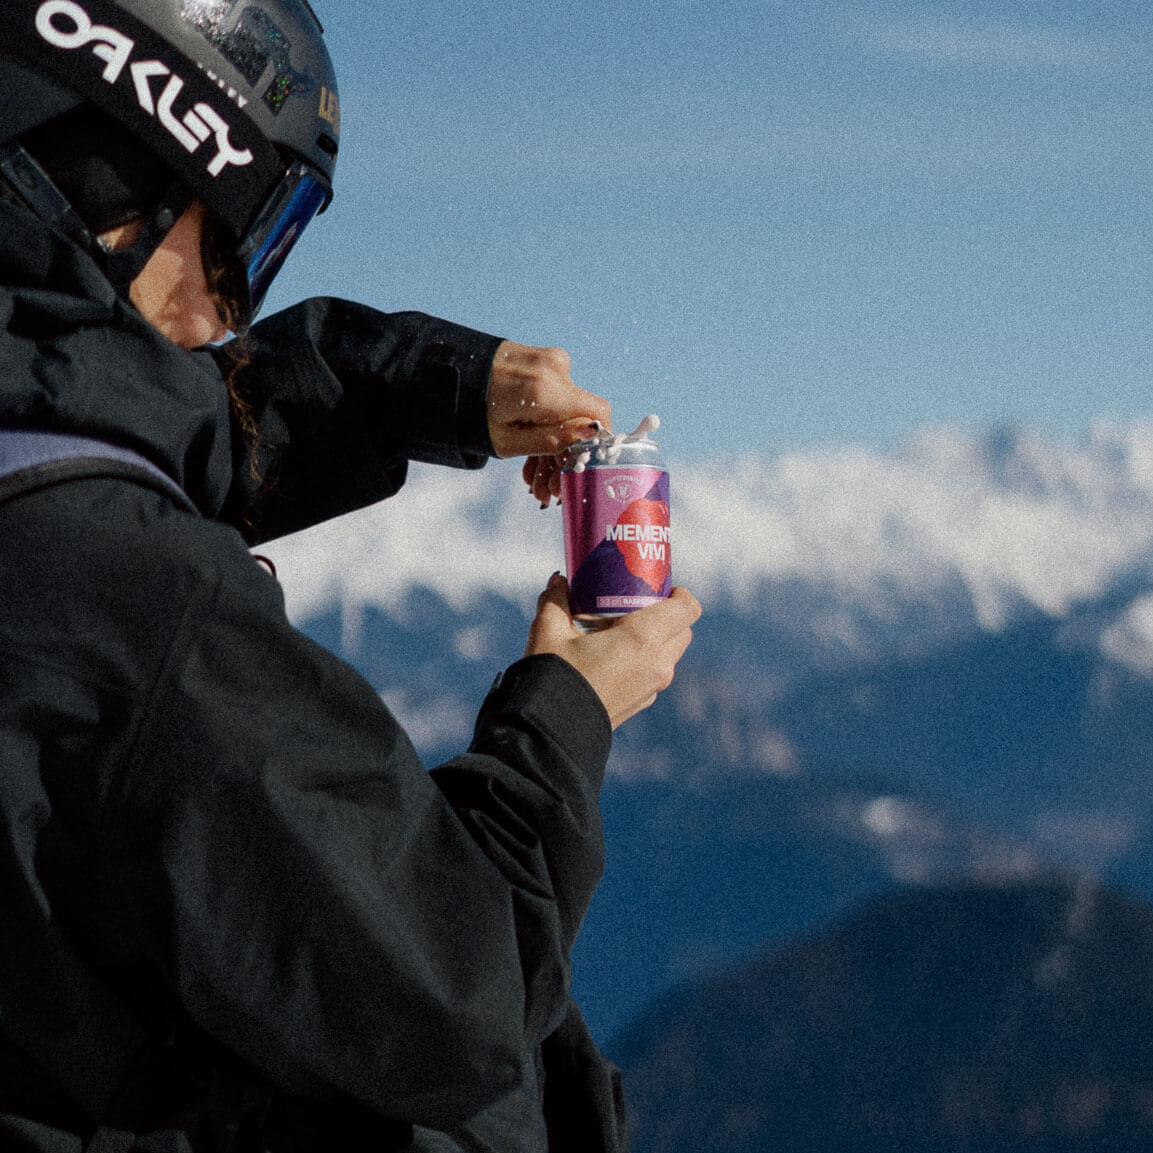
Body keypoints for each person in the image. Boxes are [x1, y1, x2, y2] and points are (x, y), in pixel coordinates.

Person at [0, 1, 700, 1151]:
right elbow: (455, 991)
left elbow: (88, 418)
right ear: (110, 176)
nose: (231, 312)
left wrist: (422, 384)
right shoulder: (147, 605)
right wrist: (561, 723)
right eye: (240, 244)